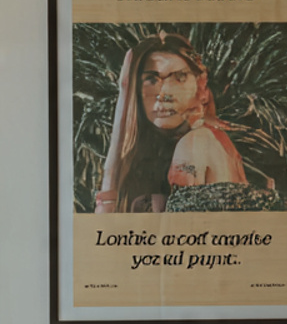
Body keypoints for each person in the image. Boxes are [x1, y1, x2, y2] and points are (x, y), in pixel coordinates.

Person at [95, 31, 247, 214]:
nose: (164, 93)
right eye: (151, 79)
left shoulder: (197, 143)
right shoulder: (151, 155)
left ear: (202, 87)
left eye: (180, 77)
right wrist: (123, 111)